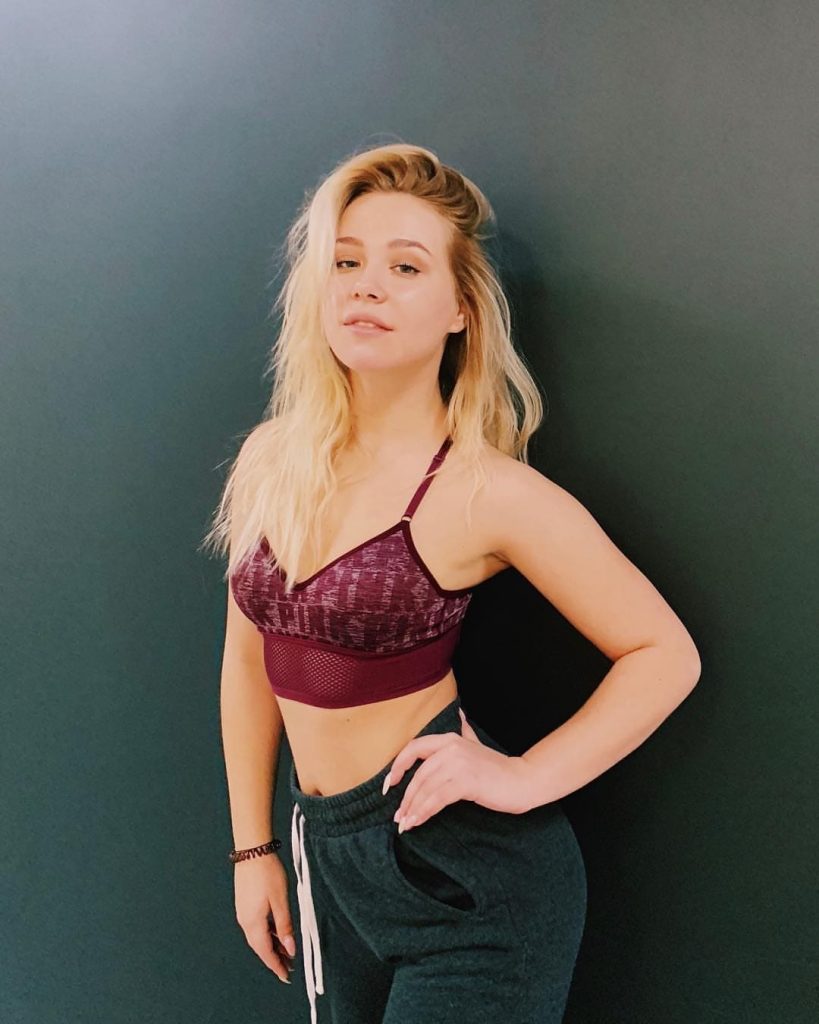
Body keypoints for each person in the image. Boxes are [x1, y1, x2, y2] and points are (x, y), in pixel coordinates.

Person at [202, 142, 701, 1023]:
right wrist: (252, 852)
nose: (366, 286)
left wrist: (525, 777)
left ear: (460, 308)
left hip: (468, 884)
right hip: (331, 868)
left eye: (404, 267)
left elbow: (664, 653)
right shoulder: (270, 460)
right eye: (345, 262)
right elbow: (249, 664)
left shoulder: (484, 491)